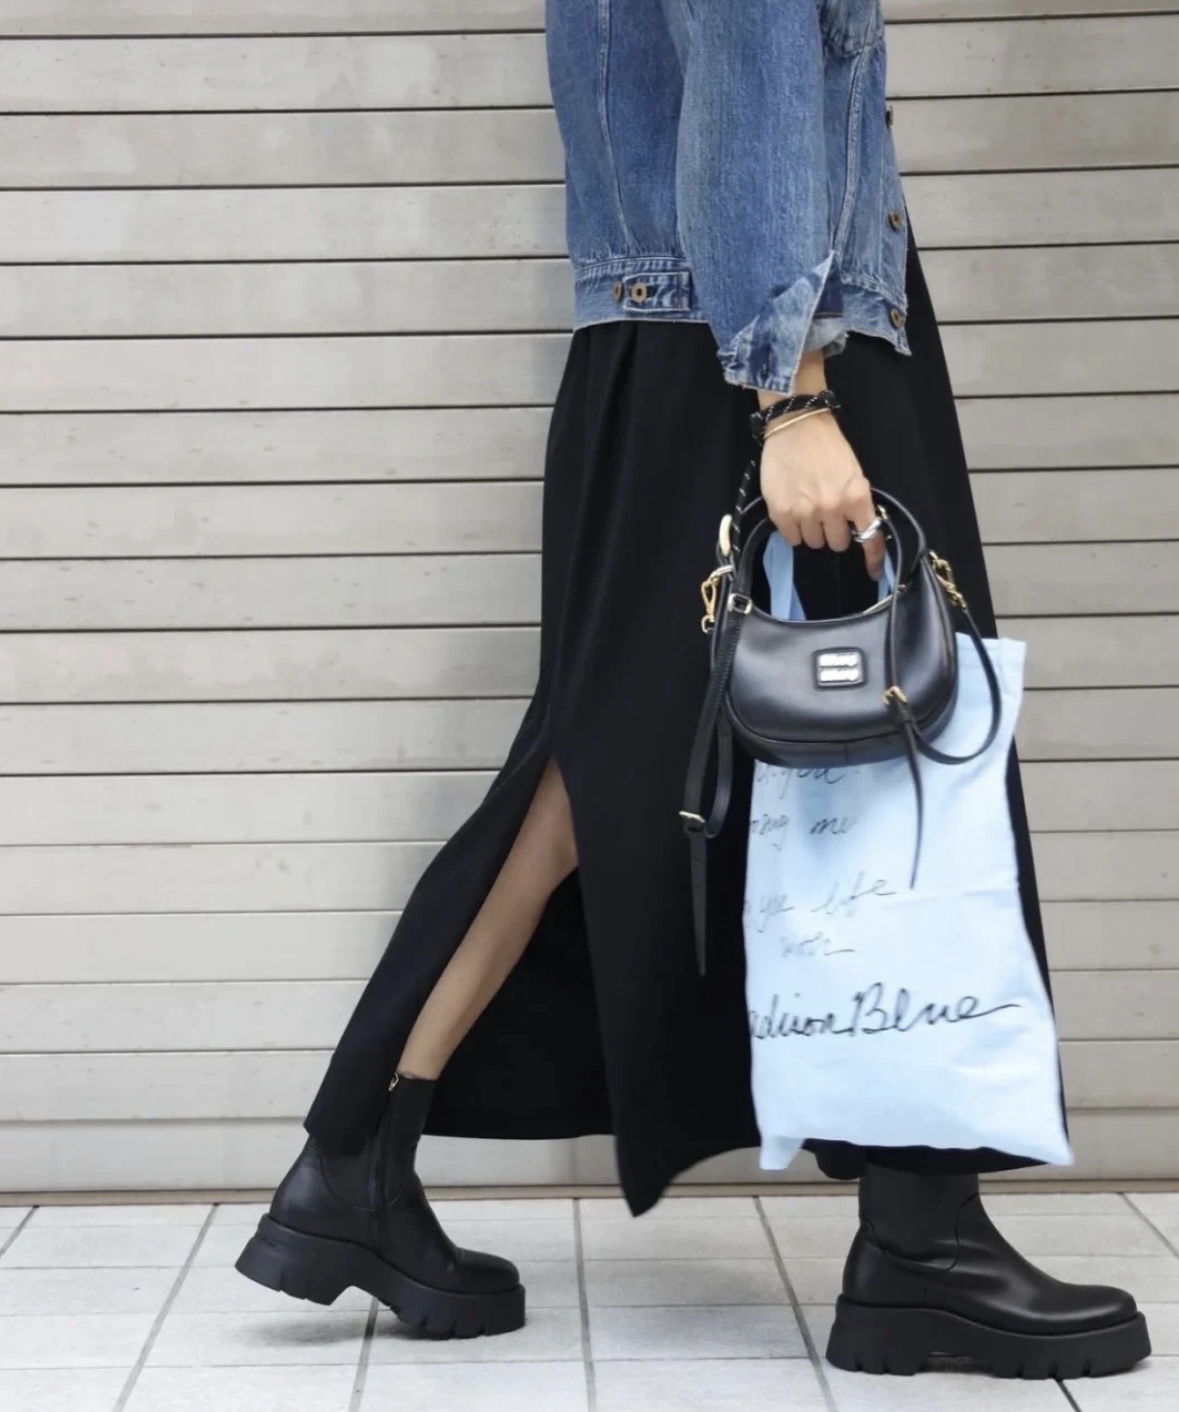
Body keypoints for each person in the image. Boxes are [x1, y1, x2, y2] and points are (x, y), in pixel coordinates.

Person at [236, 0, 1151, 1378]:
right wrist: (794, 396)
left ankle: (355, 1161)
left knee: (599, 764)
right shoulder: (783, 367)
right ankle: (922, 1242)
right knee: (895, 751)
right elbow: (751, 72)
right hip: (762, 343)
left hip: (695, 338)